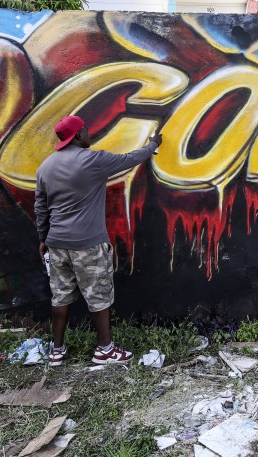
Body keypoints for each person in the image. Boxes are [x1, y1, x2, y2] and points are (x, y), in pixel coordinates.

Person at [34, 114, 162, 366]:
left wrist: (43, 237)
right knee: (98, 297)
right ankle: (105, 350)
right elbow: (131, 159)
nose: (89, 134)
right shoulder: (93, 160)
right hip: (88, 244)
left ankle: (57, 351)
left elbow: (41, 207)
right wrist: (153, 145)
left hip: (57, 243)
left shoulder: (45, 167)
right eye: (87, 129)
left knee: (60, 296)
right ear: (78, 135)